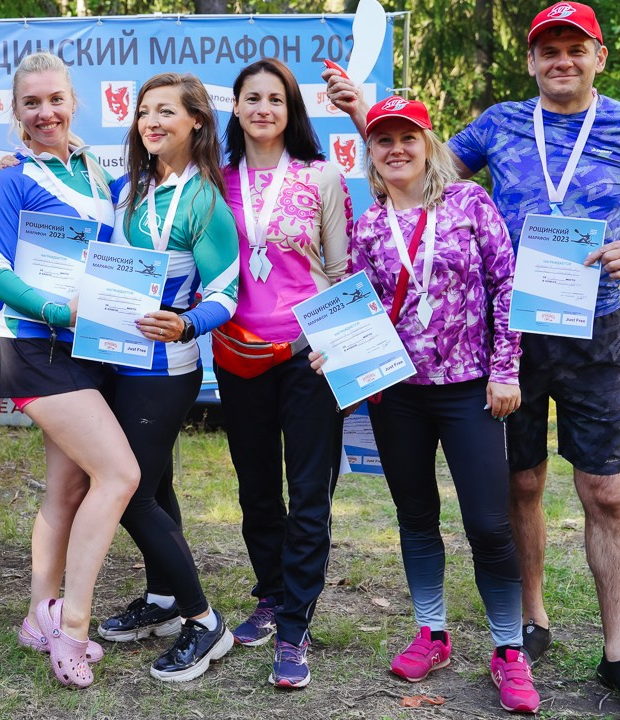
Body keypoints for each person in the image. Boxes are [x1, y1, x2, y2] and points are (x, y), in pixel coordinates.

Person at [325, 0, 620, 718]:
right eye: (549, 49)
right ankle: (530, 627)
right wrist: (366, 111)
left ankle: (618, 654)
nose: (562, 60)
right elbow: (418, 164)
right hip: (505, 336)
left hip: (592, 328)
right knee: (518, 488)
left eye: (576, 49)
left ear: (598, 57)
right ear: (532, 60)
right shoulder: (500, 123)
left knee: (604, 493)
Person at [312, 96, 539, 713]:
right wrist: (336, 351)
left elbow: (506, 287)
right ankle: (432, 633)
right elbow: (356, 310)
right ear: (371, 154)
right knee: (416, 518)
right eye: (383, 141)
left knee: (489, 524)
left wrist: (504, 370)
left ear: (428, 142)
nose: (396, 149)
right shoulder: (367, 225)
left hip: (470, 390)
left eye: (407, 137)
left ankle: (508, 650)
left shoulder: (469, 203)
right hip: (398, 396)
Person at [0, 51, 139, 689]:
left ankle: (34, 616)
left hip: (88, 346)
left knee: (67, 488)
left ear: (74, 102)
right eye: (31, 103)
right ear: (15, 113)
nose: (45, 113)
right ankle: (72, 627)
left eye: (55, 100)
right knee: (119, 473)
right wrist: (54, 310)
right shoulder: (9, 179)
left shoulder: (100, 173)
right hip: (35, 347)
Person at [96, 73, 240, 682]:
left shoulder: (204, 199)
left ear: (197, 123)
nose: (152, 122)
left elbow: (227, 294)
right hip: (112, 359)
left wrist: (185, 324)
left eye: (167, 113)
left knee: (128, 492)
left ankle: (206, 623)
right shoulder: (125, 187)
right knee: (156, 485)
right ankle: (161, 601)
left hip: (164, 369)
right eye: (145, 112)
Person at [215, 57, 353, 689]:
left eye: (276, 98)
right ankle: (270, 595)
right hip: (237, 352)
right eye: (253, 98)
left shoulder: (322, 176)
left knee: (308, 493)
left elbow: (341, 265)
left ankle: (296, 624)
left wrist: (339, 343)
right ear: (236, 109)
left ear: (291, 110)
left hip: (307, 356)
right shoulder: (214, 182)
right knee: (255, 490)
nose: (264, 108)